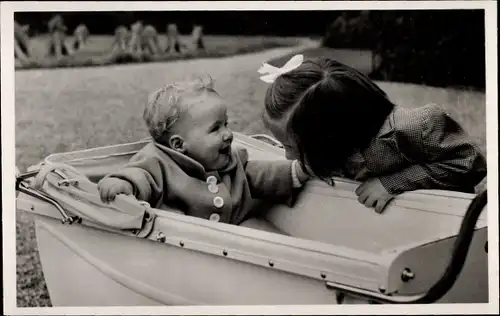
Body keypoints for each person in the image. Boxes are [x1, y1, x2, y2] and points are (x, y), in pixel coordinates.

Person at [259, 55, 487, 213]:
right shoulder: (328, 151)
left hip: (439, 223)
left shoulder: (412, 127)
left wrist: (394, 183)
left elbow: (470, 162)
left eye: (290, 147)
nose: (288, 155)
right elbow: (296, 169)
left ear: (331, 140)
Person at [97, 77, 310, 225]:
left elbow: (256, 174)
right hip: (187, 243)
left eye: (226, 124)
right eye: (216, 129)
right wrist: (124, 184)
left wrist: (297, 171)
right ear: (179, 145)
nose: (228, 134)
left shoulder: (230, 158)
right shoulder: (157, 161)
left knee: (266, 234)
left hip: (237, 227)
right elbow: (140, 175)